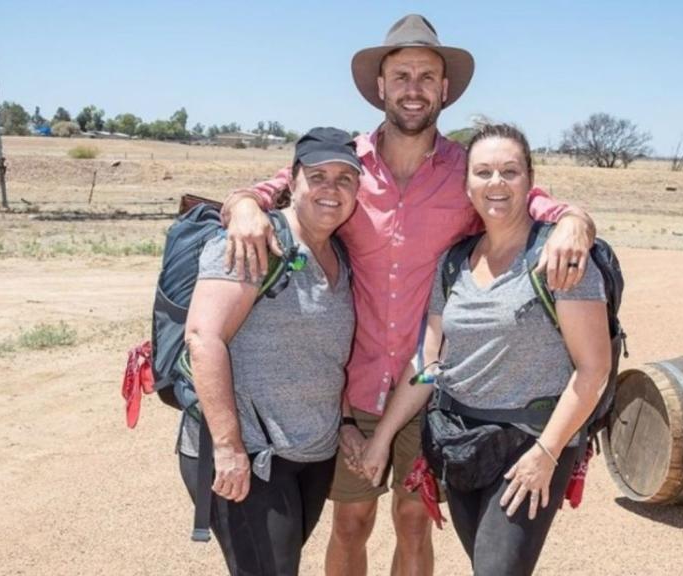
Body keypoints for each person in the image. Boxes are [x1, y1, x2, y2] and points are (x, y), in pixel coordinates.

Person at [220, 15, 598, 576]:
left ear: (444, 90)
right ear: (381, 86)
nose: (414, 88)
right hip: (351, 387)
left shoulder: (466, 171)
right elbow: (279, 184)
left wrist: (575, 219)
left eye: (426, 76)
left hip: (431, 388)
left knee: (414, 519)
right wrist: (246, 203)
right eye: (401, 76)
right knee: (350, 523)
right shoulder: (344, 163)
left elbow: (527, 200)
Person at [359, 123, 612, 575]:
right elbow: (428, 363)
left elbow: (593, 370)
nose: (496, 183)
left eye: (509, 172)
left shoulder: (558, 259)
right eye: (483, 172)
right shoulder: (455, 261)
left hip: (530, 444)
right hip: (461, 442)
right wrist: (381, 440)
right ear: (468, 185)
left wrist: (546, 455)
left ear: (530, 181)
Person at [177, 127, 361, 576]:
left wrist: (347, 422)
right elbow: (203, 337)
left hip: (311, 455)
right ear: (291, 182)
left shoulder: (340, 254)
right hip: (252, 452)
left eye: (345, 179)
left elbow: (328, 355)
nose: (330, 189)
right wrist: (228, 446)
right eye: (317, 176)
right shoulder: (253, 243)